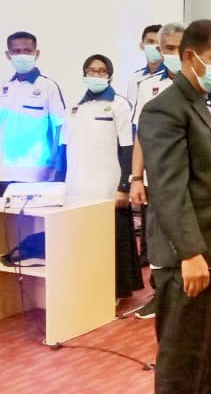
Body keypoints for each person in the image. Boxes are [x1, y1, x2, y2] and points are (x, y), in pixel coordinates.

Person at [139, 19, 211, 394]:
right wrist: (190, 252)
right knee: (183, 364)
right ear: (189, 57)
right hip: (189, 257)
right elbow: (169, 188)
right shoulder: (163, 110)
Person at [60, 54, 142, 300]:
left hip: (108, 186)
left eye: (101, 71)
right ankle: (89, 285)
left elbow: (128, 147)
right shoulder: (75, 106)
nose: (96, 75)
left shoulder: (119, 104)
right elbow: (65, 146)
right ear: (84, 74)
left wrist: (124, 185)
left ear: (110, 75)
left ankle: (115, 290)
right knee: (84, 241)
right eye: (91, 70)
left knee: (112, 240)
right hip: (77, 186)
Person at [130, 22, 185, 320]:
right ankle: (160, 294)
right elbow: (141, 134)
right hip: (157, 177)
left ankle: (188, 294)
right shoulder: (148, 86)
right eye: (169, 48)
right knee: (157, 240)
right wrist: (136, 177)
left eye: (180, 47)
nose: (174, 53)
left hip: (192, 177)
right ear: (160, 51)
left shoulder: (203, 82)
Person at [0, 31, 65, 198]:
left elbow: (60, 129)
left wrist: (55, 165)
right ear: (8, 55)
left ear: (36, 53)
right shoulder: (0, 88)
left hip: (37, 175)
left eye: (27, 51)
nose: (22, 55)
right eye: (16, 51)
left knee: (35, 216)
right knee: (0, 215)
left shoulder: (48, 86)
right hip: (3, 174)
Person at [127, 24, 163, 106]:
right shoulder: (134, 78)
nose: (155, 46)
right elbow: (132, 108)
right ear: (142, 45)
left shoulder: (172, 75)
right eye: (151, 42)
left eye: (159, 42)